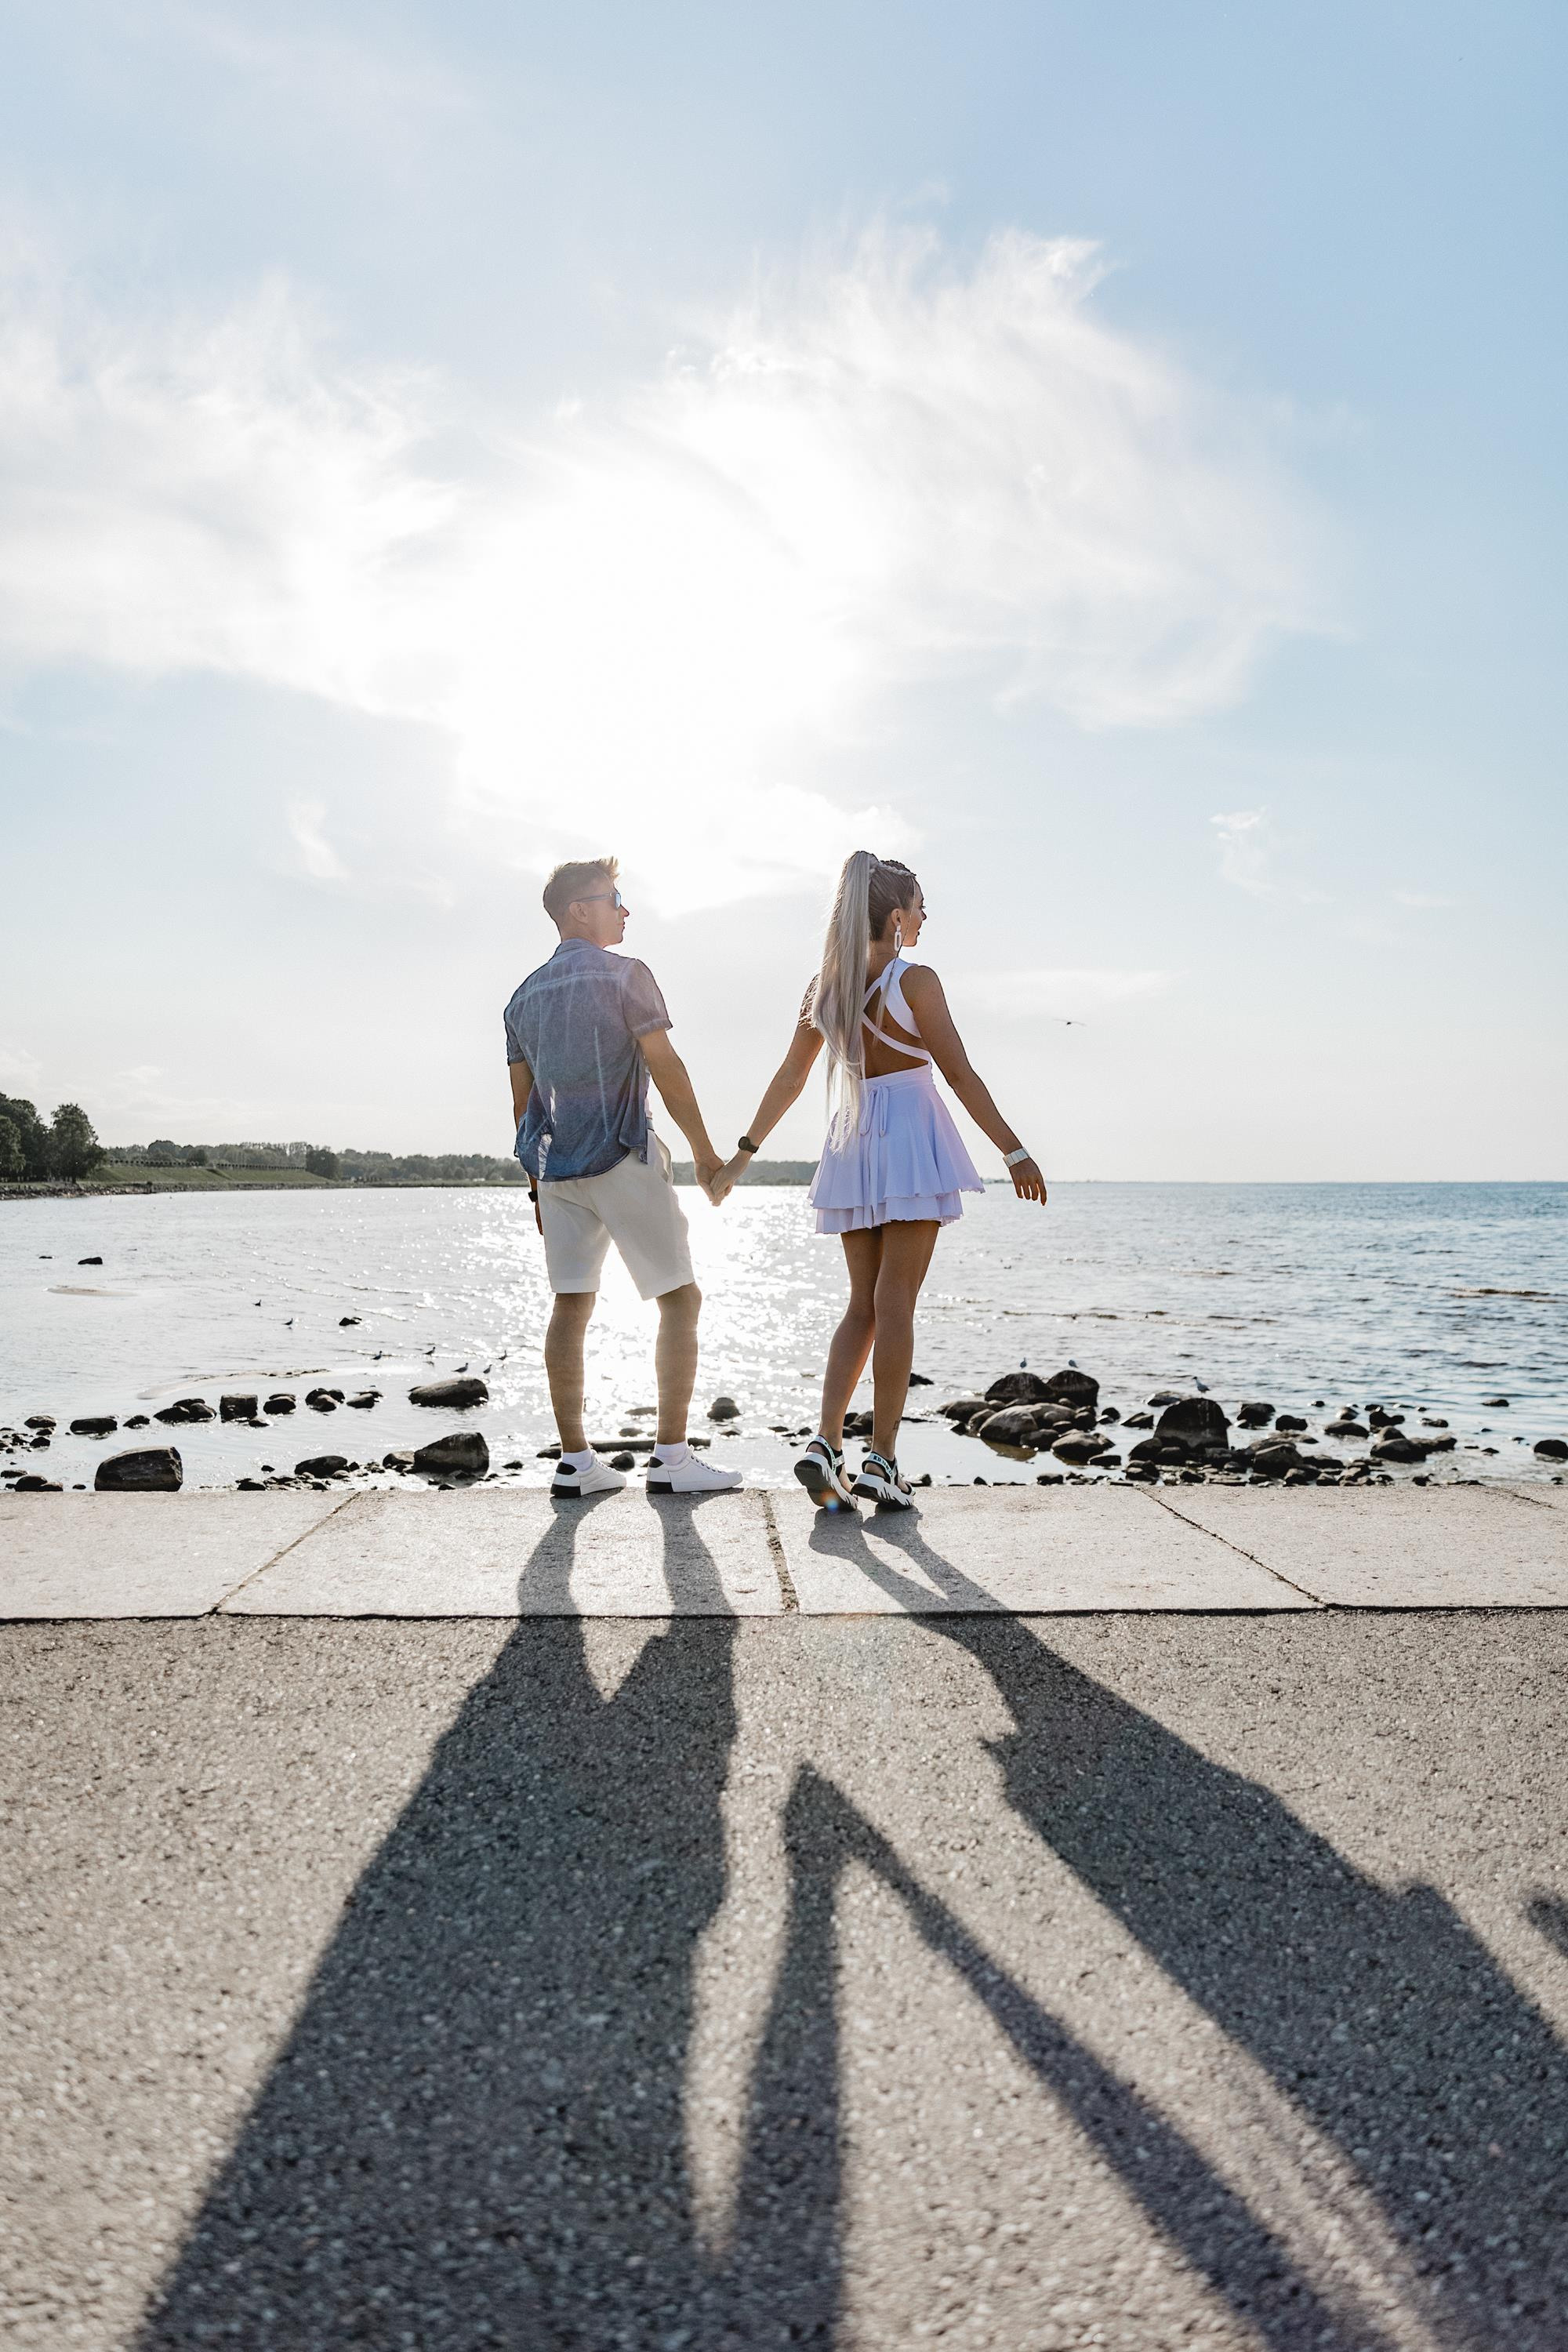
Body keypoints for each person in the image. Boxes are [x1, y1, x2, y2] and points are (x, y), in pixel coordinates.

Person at [716, 851, 1046, 1508]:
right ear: (896, 917)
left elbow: (790, 1078)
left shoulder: (825, 987)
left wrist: (741, 1158)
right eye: (919, 907)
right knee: (895, 1304)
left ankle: (825, 1443)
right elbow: (960, 1074)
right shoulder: (915, 981)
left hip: (853, 1138)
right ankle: (883, 1459)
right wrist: (1013, 1152)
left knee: (861, 1306)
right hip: (910, 1137)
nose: (924, 918)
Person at [506, 857, 741, 1497]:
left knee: (571, 1303)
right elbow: (665, 1066)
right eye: (614, 899)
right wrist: (705, 1154)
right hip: (621, 1156)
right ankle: (671, 1458)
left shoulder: (520, 999)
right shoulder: (627, 975)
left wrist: (536, 1186)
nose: (624, 909)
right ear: (578, 910)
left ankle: (576, 1463)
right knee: (680, 1299)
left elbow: (523, 1106)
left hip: (557, 1172)